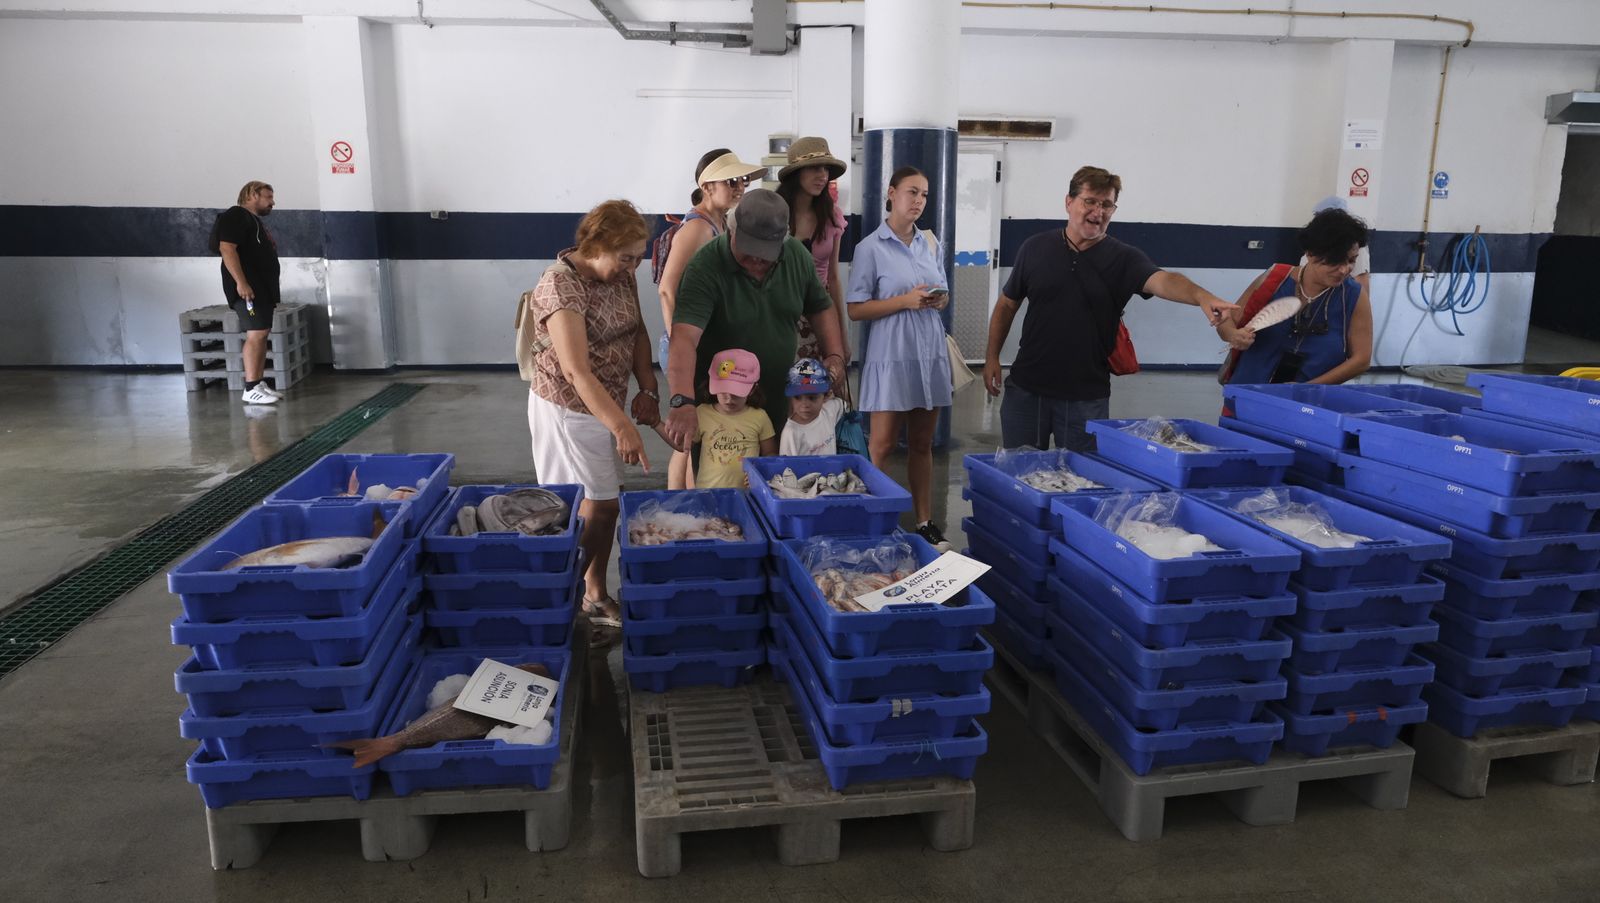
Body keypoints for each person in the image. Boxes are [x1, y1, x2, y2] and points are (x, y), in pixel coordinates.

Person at [982, 165, 1240, 452]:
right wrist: (991, 356)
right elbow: (1007, 304)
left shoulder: (1125, 259)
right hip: (1026, 390)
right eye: (1089, 201)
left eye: (1107, 204)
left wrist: (1201, 296)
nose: (1098, 211)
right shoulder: (1035, 248)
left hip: (1085, 397)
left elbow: (1165, 281)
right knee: (1019, 471)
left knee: (1081, 480)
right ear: (1069, 202)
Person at [524, 199, 660, 642]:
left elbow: (638, 330)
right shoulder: (561, 286)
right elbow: (575, 371)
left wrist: (648, 388)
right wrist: (621, 426)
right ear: (597, 244)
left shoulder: (623, 274)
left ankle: (589, 590)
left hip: (606, 404)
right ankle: (574, 594)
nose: (632, 267)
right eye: (625, 258)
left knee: (602, 505)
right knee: (589, 506)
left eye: (638, 258)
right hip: (567, 408)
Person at [663, 189, 848, 457]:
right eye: (749, 251)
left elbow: (820, 306)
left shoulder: (796, 257)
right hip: (724, 406)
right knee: (723, 482)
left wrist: (835, 355)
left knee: (779, 480)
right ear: (731, 231)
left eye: (766, 253)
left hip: (780, 397)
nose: (757, 260)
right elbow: (684, 339)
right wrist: (682, 400)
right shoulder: (705, 267)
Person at [845, 166, 954, 550]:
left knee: (922, 443)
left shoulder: (930, 243)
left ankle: (924, 521)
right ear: (891, 193)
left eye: (924, 194)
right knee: (882, 444)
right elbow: (856, 309)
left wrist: (939, 299)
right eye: (912, 192)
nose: (919, 201)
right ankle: (879, 520)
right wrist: (904, 302)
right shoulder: (870, 248)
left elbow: (940, 290)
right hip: (891, 353)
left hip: (927, 351)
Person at [656, 149, 767, 490]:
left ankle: (687, 502)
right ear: (707, 186)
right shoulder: (697, 230)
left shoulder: (719, 224)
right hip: (690, 347)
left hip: (701, 344)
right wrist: (685, 346)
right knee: (691, 433)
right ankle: (683, 502)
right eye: (731, 181)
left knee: (700, 430)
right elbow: (667, 289)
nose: (740, 187)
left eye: (743, 181)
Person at [1218, 207, 1373, 386]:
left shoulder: (1354, 295)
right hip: (1248, 396)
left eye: (1351, 260)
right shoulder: (1275, 279)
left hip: (1309, 405)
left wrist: (1307, 388)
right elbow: (1226, 322)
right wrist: (1233, 335)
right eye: (1335, 261)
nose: (1345, 269)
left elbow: (1361, 360)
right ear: (1310, 253)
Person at [776, 137, 851, 364]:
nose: (823, 175)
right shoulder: (775, 213)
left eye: (826, 169)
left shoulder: (832, 216)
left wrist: (842, 337)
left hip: (820, 311)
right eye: (815, 168)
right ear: (796, 173)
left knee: (819, 387)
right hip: (780, 313)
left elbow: (834, 278)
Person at [212, 181, 282, 406]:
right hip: (248, 288)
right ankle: (251, 388)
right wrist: (241, 283)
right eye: (268, 197)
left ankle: (258, 383)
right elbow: (226, 248)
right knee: (256, 332)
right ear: (253, 195)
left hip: (260, 287)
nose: (272, 202)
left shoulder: (251, 221)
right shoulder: (236, 215)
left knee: (262, 331)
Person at [695, 349, 777, 488]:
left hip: (747, 496)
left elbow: (770, 452)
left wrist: (760, 473)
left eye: (736, 393)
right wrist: (656, 423)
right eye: (723, 391)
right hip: (708, 495)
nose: (729, 399)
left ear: (752, 389)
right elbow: (680, 445)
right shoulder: (702, 413)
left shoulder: (759, 416)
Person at [779, 358, 845, 456]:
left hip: (833, 471)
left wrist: (835, 383)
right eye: (797, 397)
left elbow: (846, 401)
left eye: (812, 398)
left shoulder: (829, 411)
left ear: (826, 396)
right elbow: (786, 468)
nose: (804, 404)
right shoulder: (791, 433)